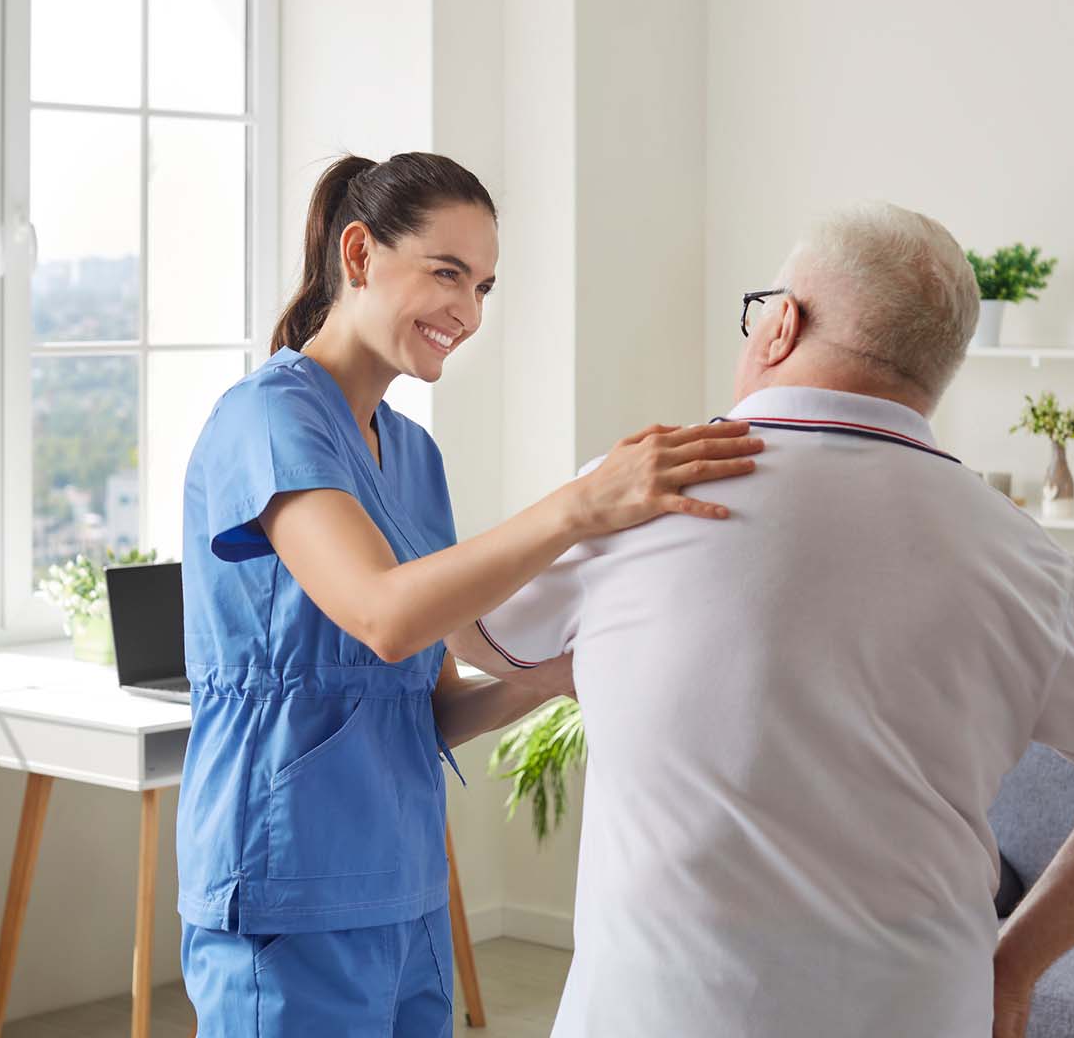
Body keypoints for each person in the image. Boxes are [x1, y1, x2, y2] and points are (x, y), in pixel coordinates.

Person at [452, 202, 1074, 1038]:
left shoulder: (642, 496)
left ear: (781, 325)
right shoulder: (1024, 556)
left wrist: (601, 633)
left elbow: (468, 630)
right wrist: (1014, 968)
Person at [173, 151, 763, 1038]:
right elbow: (383, 615)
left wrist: (569, 671)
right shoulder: (267, 418)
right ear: (360, 253)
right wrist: (582, 504)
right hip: (286, 889)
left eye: (483, 287)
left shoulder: (414, 455)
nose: (469, 312)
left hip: (406, 888)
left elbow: (430, 707)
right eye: (447, 274)